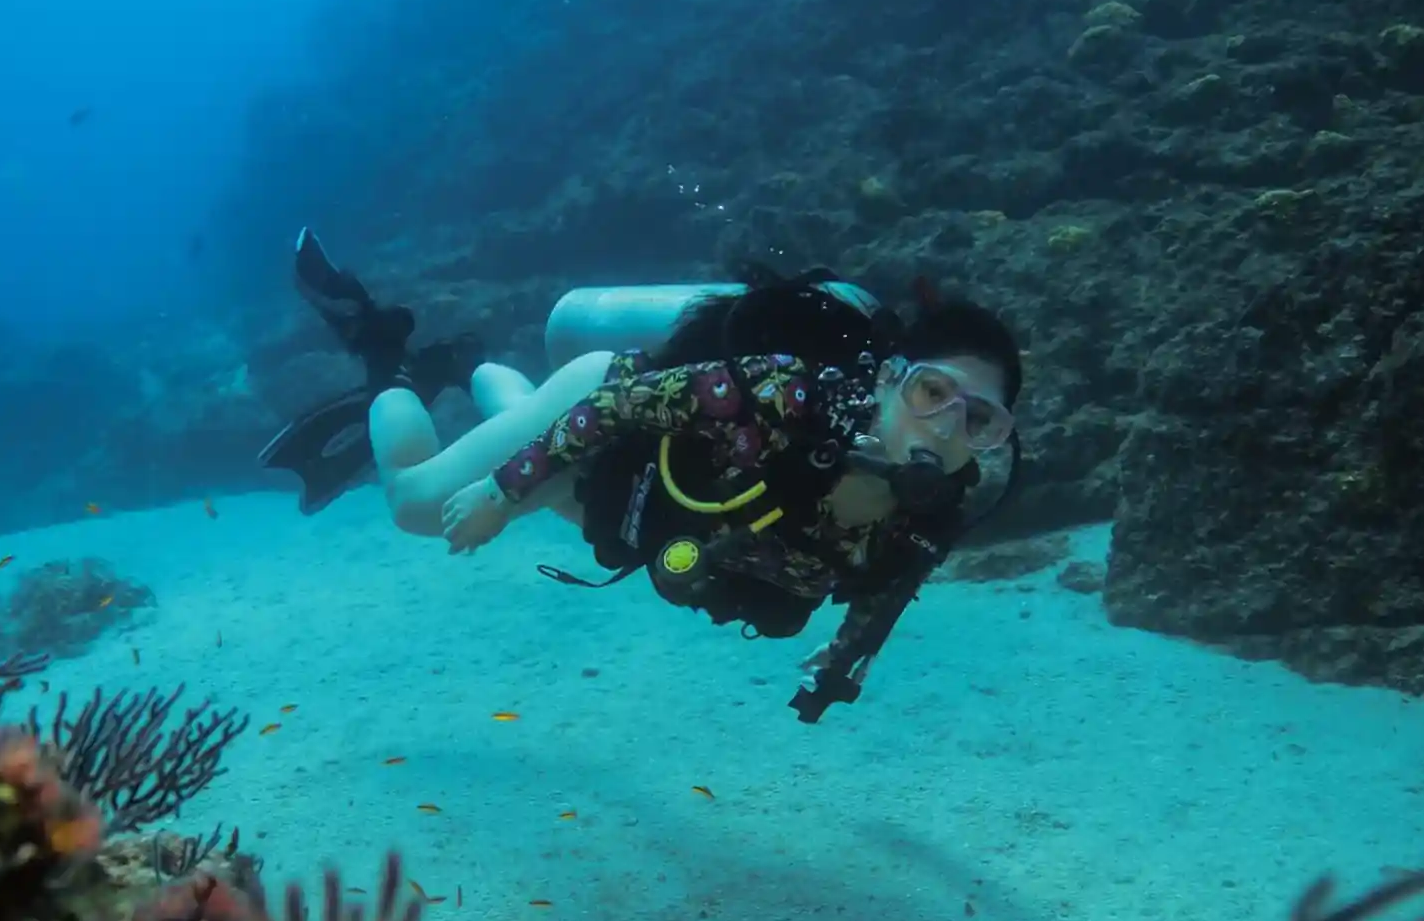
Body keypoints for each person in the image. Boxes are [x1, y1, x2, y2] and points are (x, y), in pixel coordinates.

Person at [365, 266, 1025, 722]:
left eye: (978, 419)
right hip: (601, 416)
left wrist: (844, 657)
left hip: (627, 506)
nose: (944, 430)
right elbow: (621, 405)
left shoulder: (933, 513)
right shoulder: (792, 395)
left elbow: (890, 589)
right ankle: (386, 367)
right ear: (888, 380)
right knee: (415, 504)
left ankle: (480, 374)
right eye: (932, 393)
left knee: (530, 435)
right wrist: (503, 493)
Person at [255, 228, 483, 514]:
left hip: (395, 382)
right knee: (371, 412)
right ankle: (321, 475)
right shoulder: (380, 331)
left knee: (370, 412)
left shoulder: (379, 329)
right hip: (395, 381)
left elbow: (345, 311)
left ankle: (321, 475)